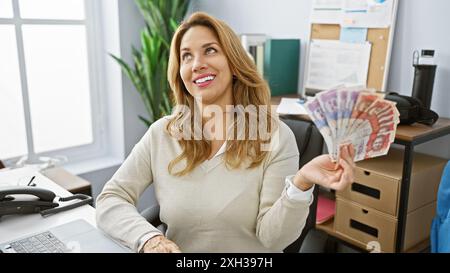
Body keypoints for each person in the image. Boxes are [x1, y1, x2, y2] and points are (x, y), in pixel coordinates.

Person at [96, 12, 355, 253]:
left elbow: (274, 238)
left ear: (233, 63)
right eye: (186, 56)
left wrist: (301, 182)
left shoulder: (274, 136)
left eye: (210, 50)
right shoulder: (162, 133)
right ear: (180, 73)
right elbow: (111, 198)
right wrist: (149, 238)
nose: (197, 64)